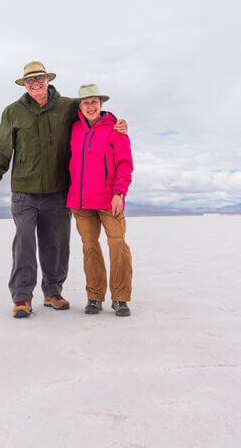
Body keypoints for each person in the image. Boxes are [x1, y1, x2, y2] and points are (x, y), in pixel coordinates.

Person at [0, 62, 126, 318]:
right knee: (24, 243)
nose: (35, 84)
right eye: (30, 81)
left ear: (48, 79)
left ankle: (53, 292)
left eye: (40, 79)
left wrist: (116, 122)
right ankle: (21, 297)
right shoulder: (13, 112)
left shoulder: (67, 106)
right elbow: (3, 149)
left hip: (58, 192)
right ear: (24, 84)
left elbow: (93, 112)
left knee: (56, 245)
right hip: (24, 192)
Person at [66, 84, 134, 317]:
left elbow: (125, 165)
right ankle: (94, 296)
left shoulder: (115, 129)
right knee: (90, 248)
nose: (90, 106)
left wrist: (119, 193)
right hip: (80, 202)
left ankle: (120, 298)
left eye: (94, 101)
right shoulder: (73, 128)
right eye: (85, 103)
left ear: (101, 104)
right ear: (80, 107)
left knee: (118, 245)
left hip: (108, 200)